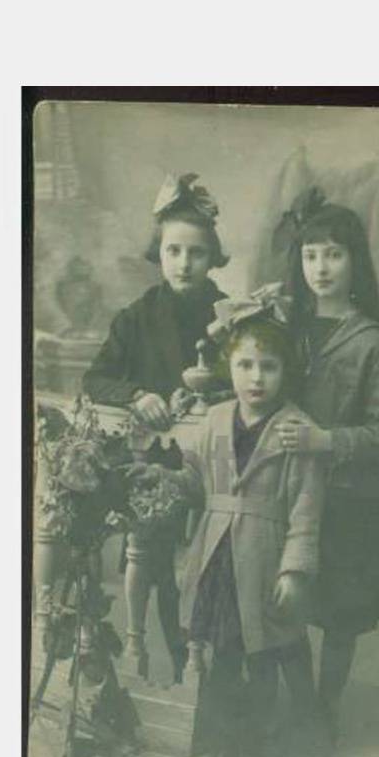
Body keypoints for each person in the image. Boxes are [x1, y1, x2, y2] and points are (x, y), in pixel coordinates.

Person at [152, 304, 325, 757]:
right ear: (228, 366)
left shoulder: (296, 428)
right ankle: (225, 744)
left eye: (269, 366)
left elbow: (306, 510)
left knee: (261, 662)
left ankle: (252, 752)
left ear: (285, 371)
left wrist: (293, 570)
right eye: (245, 365)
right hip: (218, 558)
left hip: (264, 562)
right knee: (222, 661)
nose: (256, 378)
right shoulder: (215, 419)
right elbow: (196, 482)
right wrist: (166, 480)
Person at [274, 188, 379, 757]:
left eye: (333, 254)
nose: (321, 268)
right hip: (287, 491)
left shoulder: (370, 342)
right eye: (310, 255)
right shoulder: (287, 327)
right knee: (283, 600)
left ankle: (323, 711)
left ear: (355, 261)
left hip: (349, 498)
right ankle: (300, 703)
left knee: (338, 612)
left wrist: (326, 440)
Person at [82, 173, 230, 680]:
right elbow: (96, 378)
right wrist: (136, 396)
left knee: (207, 565)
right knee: (159, 561)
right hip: (159, 466)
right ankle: (167, 664)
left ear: (213, 256)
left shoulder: (230, 315)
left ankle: (210, 670)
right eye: (173, 251)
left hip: (215, 463)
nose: (184, 263)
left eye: (196, 253)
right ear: (159, 254)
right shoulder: (137, 317)